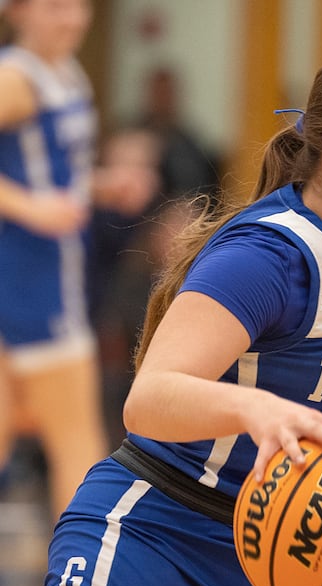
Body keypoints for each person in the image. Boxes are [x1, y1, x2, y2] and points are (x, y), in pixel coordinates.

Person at [26, 41, 322, 586]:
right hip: (163, 535)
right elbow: (149, 400)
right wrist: (257, 409)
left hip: (300, 547)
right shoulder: (267, 256)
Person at [0, 0, 154, 520]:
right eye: (54, 6)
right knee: (78, 445)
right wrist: (29, 208)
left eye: (78, 5)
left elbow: (54, 179)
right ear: (17, 12)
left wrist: (103, 186)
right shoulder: (15, 79)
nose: (71, 18)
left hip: (50, 274)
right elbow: (36, 197)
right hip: (28, 279)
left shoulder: (66, 72)